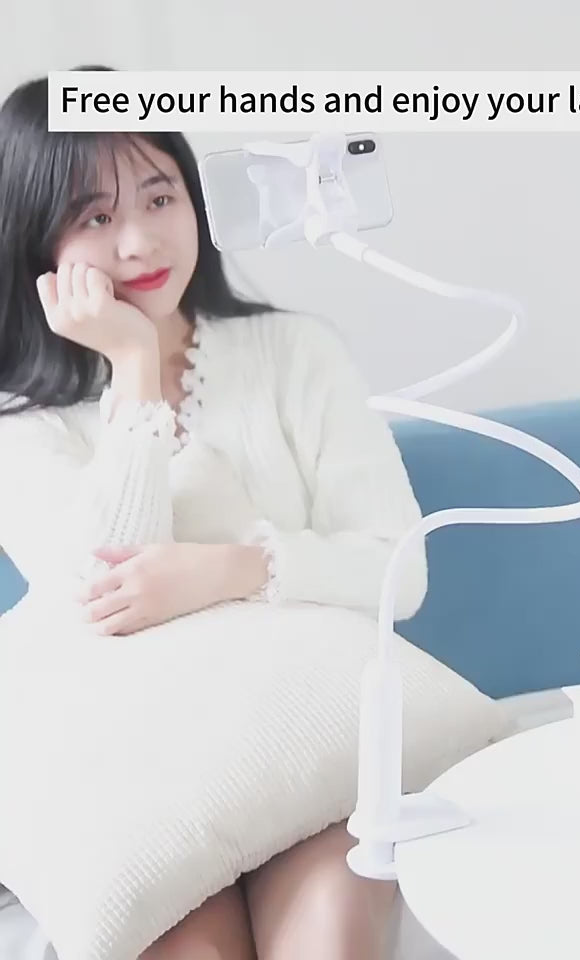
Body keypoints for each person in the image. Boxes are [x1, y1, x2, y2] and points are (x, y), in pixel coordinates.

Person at [0, 67, 429, 960]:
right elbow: (101, 598)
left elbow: (401, 567)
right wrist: (133, 370)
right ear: (35, 238)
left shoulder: (296, 352)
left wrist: (234, 570)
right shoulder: (22, 427)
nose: (140, 241)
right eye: (94, 217)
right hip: (135, 778)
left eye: (160, 196)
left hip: (309, 746)